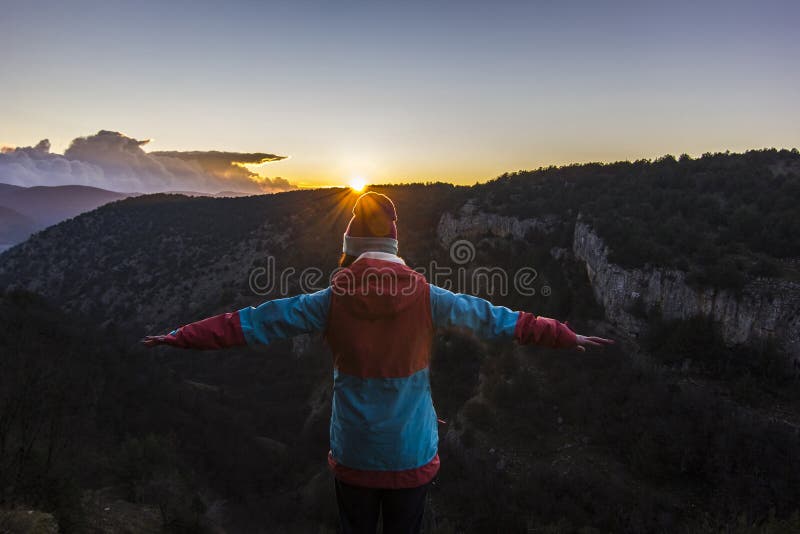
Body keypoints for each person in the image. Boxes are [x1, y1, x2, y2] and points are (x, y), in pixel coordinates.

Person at [143, 191, 613, 534]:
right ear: (393, 245)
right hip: (411, 453)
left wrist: (181, 337)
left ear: (350, 246)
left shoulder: (327, 302)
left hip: (354, 454)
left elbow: (248, 323)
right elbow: (500, 320)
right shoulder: (430, 298)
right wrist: (563, 335)